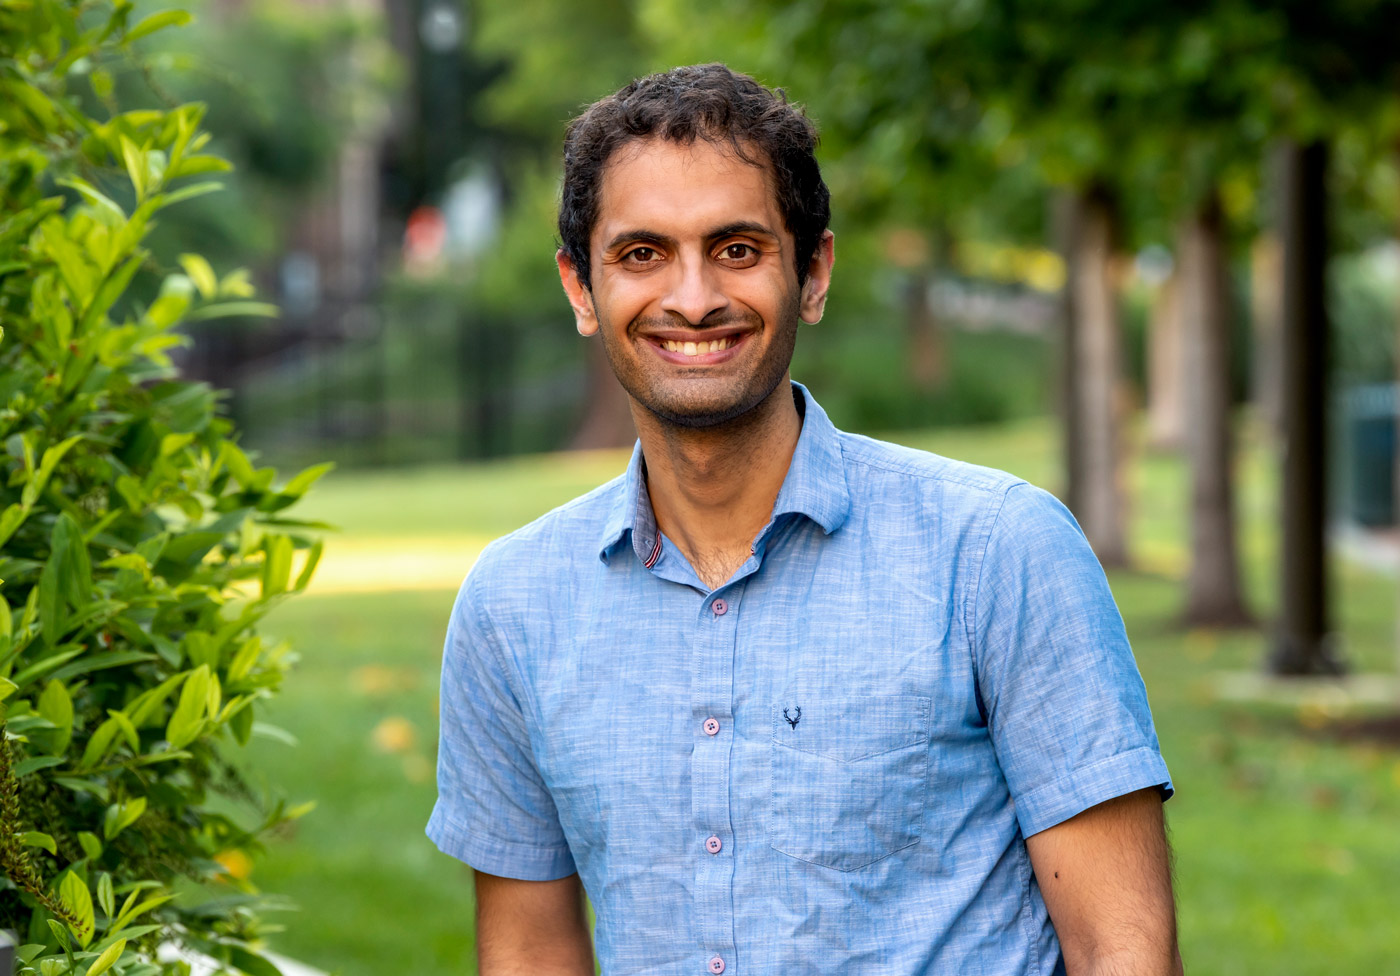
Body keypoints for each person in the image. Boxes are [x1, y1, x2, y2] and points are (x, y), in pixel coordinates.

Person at [427, 63, 1181, 976]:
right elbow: (529, 949)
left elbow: (1123, 950)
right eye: (642, 254)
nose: (694, 297)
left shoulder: (998, 553)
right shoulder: (511, 607)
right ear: (581, 288)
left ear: (812, 273)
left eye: (738, 250)